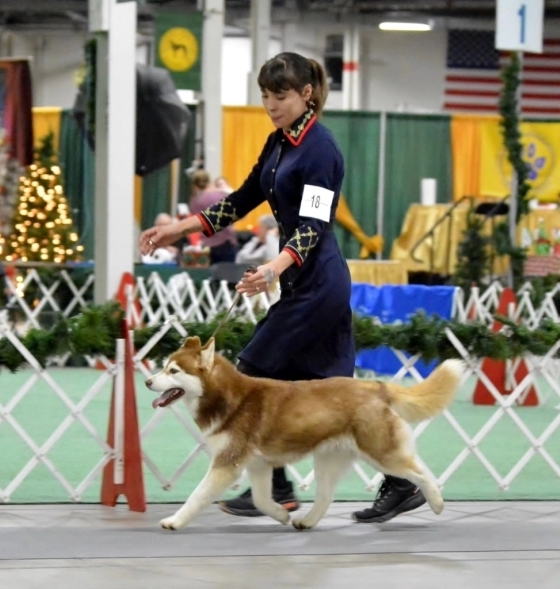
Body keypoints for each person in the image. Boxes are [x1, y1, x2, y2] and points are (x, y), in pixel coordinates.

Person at [139, 51, 427, 524]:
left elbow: (312, 227)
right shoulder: (277, 145)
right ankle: (399, 484)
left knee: (252, 369)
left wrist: (273, 268)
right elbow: (239, 202)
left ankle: (273, 487)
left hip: (319, 284)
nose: (271, 105)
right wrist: (179, 228)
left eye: (280, 95)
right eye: (265, 96)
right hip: (299, 282)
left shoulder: (321, 150)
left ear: (306, 94)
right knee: (342, 394)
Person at [189, 170, 239, 264]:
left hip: (206, 245)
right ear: (209, 182)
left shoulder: (195, 202)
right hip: (225, 241)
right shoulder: (221, 196)